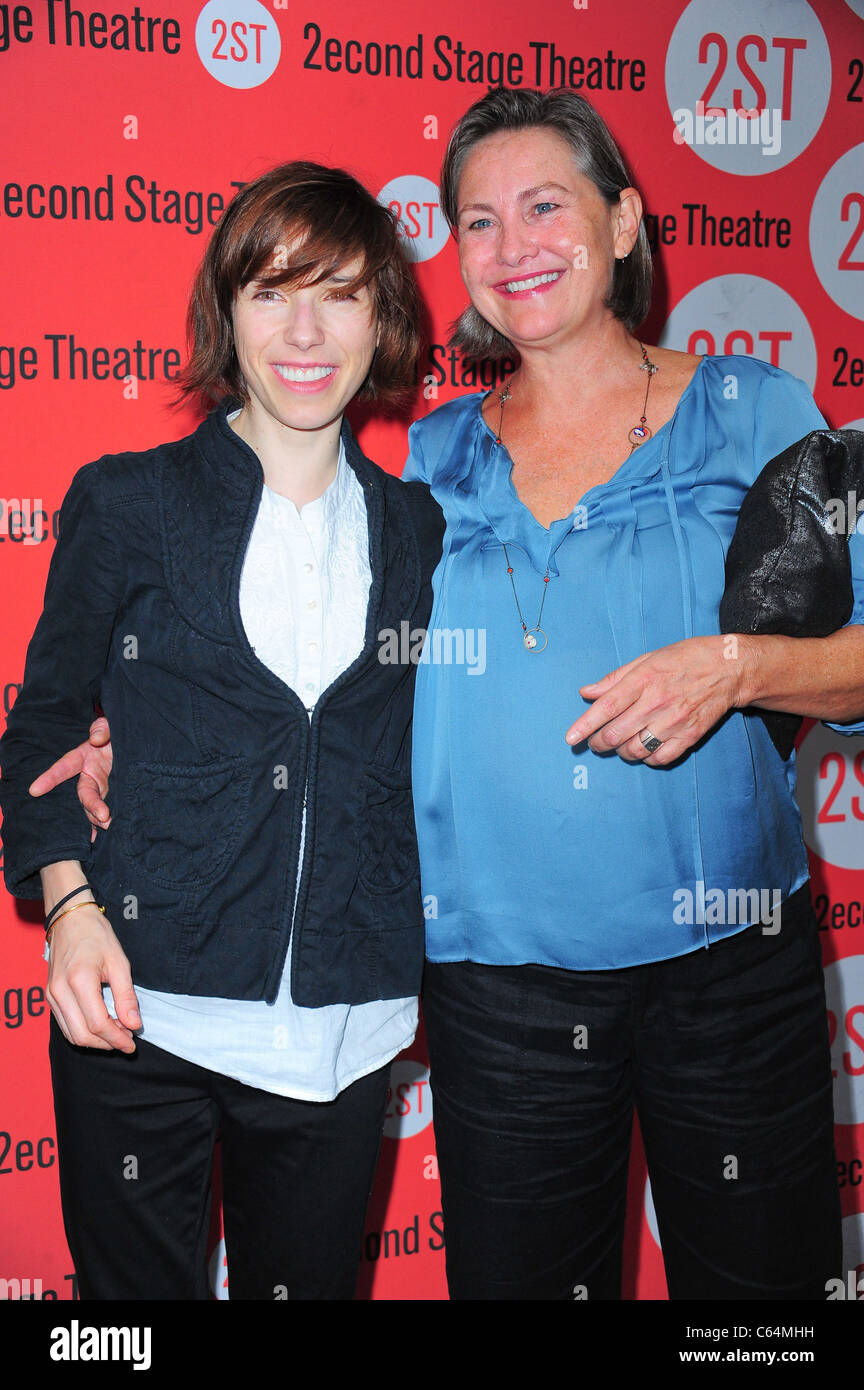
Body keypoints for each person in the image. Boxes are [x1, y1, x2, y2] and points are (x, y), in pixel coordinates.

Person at [29, 88, 864, 1302]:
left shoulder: (760, 413)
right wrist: (130, 747)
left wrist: (739, 666)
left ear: (624, 222)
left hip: (730, 972)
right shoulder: (432, 464)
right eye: (478, 220)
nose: (513, 243)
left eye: (545, 206)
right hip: (496, 995)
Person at [0, 161, 444, 1300]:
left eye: (340, 292)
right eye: (271, 291)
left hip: (343, 1031)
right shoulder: (129, 499)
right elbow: (45, 725)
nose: (306, 329)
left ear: (382, 316)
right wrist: (71, 907)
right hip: (141, 1018)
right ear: (225, 312)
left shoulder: (420, 530)